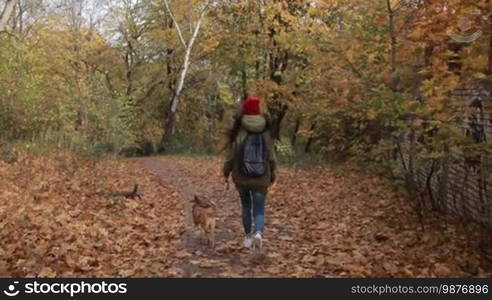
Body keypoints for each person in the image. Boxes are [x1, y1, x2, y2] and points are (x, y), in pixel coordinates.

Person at [223, 96, 277, 250]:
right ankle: (258, 233)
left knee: (246, 206)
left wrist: (226, 173)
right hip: (261, 177)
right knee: (259, 208)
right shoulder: (266, 131)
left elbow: (230, 156)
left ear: (245, 111)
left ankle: (247, 237)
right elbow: (272, 157)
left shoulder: (240, 131)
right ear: (258, 111)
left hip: (242, 177)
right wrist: (273, 174)